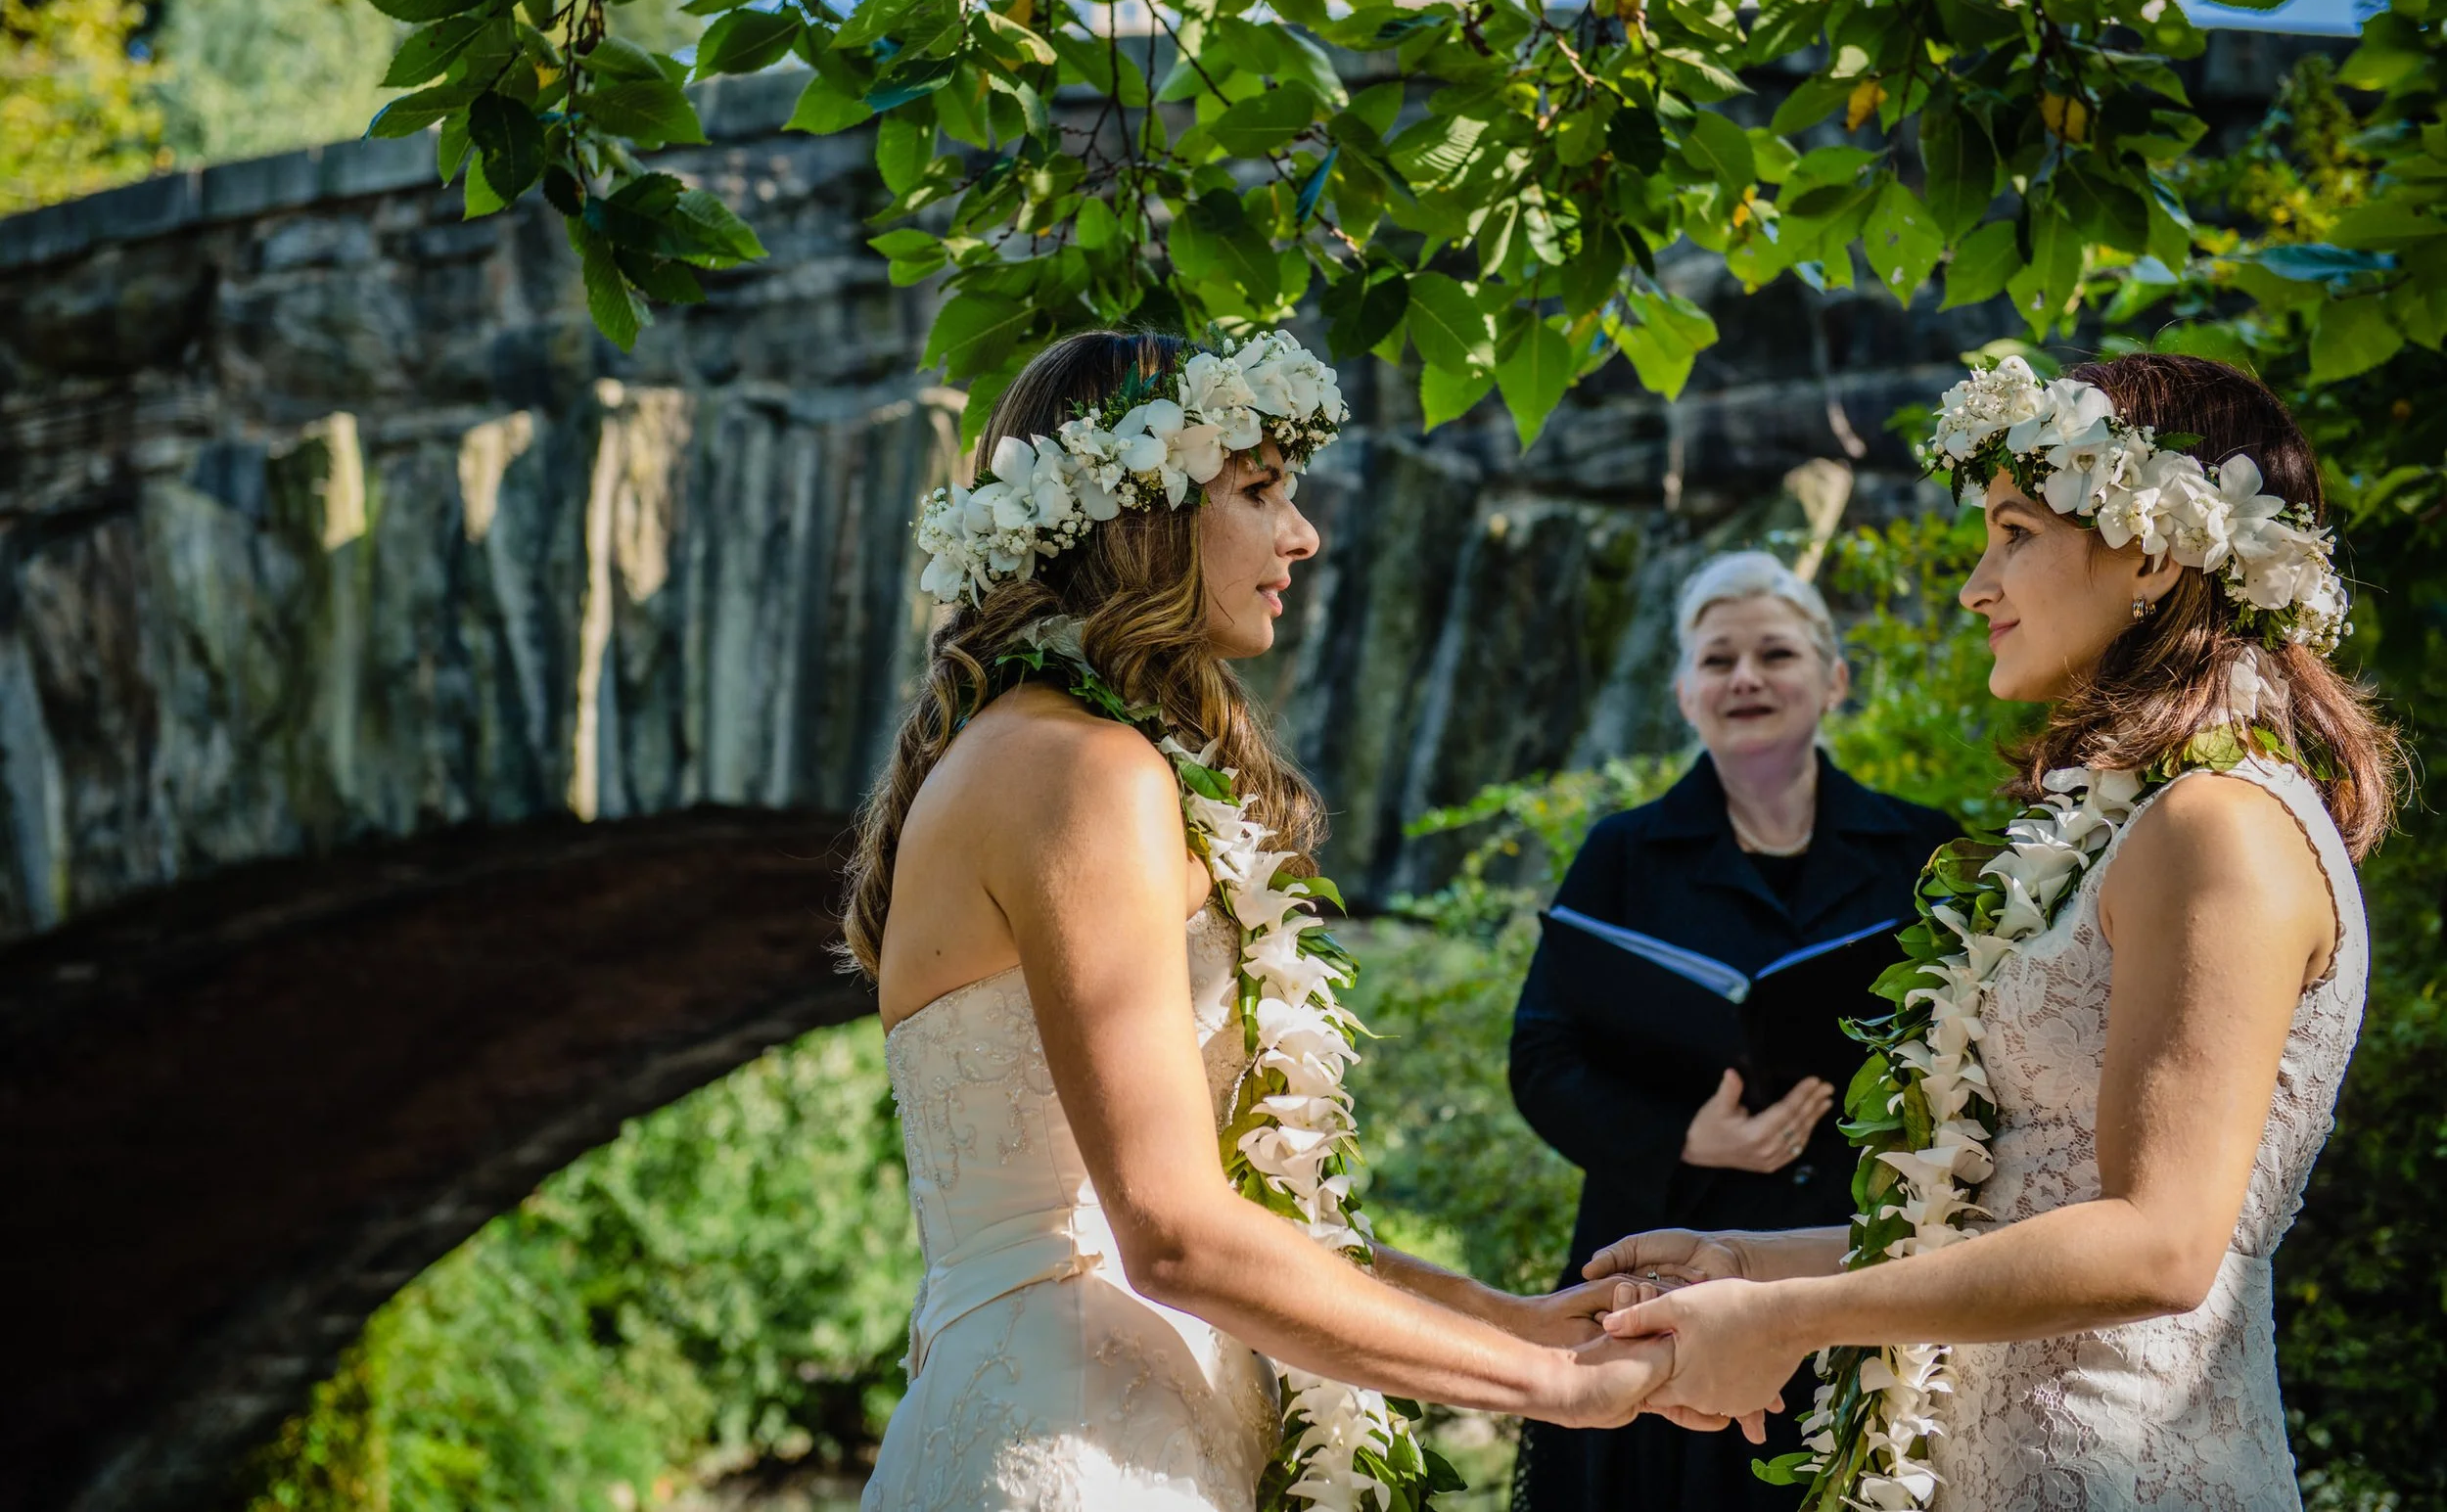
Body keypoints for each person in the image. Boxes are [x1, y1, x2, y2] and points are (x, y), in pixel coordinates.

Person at [841, 330, 1714, 1512]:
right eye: (1258, 491)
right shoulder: (1076, 771)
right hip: (1077, 1449)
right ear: (1141, 515)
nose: (1300, 534)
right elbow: (1173, 1234)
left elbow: (1230, 1205)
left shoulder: (1045, 751)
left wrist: (1509, 1315)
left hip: (1109, 1419)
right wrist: (1552, 1383)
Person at [1595, 353, 2399, 1511]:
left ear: (2151, 552)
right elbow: (2021, 1208)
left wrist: (1786, 1317)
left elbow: (2160, 1244)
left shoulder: (2219, 824)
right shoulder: (2139, 822)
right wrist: (1750, 1263)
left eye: (2013, 534)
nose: (1976, 587)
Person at [1509, 552, 1960, 1512]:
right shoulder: (1621, 852)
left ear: (1833, 679)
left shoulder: (1922, 846)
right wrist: (1684, 1136)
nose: (1745, 677)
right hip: (1659, 1282)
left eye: (1775, 653)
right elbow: (1541, 1059)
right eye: (1717, 659)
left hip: (1858, 1263)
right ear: (1685, 693)